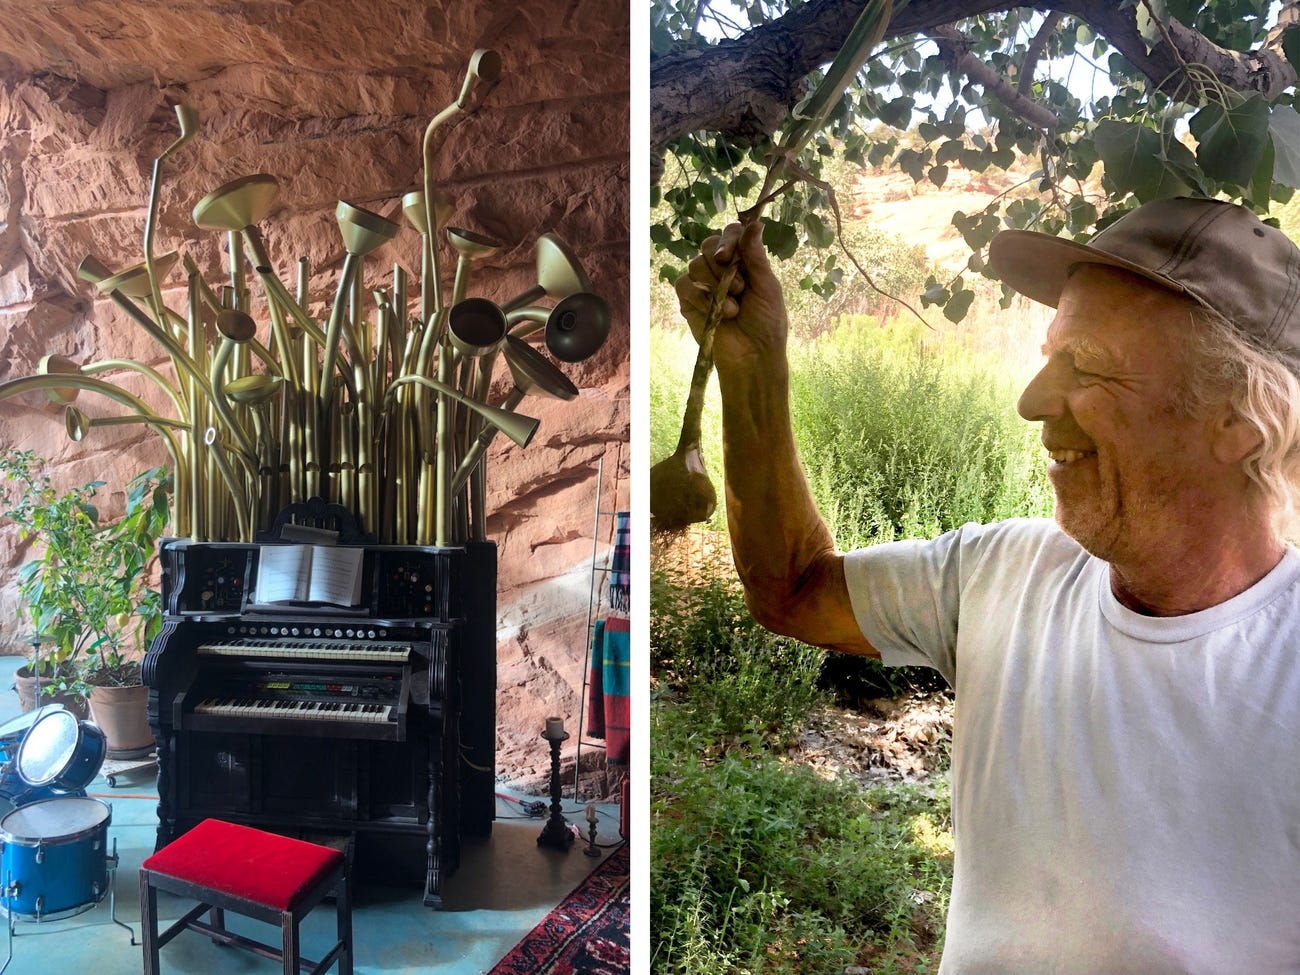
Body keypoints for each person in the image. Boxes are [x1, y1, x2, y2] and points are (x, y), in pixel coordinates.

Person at [674, 196, 1300, 974]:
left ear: (1237, 415)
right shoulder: (1000, 576)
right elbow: (792, 588)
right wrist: (754, 364)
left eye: (1089, 364)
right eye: (1048, 355)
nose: (1032, 401)